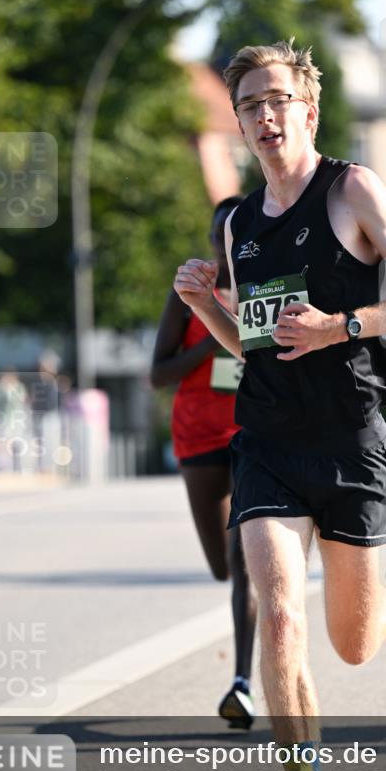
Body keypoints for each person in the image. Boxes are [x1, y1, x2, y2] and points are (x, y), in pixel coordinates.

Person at [173, 39, 386, 771]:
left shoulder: (352, 189)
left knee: (354, 645)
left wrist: (342, 325)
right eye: (248, 103)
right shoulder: (235, 222)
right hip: (268, 439)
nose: (261, 115)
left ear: (307, 109)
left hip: (354, 434)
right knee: (280, 616)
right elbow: (254, 345)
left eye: (275, 100)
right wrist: (204, 304)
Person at [152, 197, 257, 730]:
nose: (228, 244)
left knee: (246, 562)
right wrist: (215, 337)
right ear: (213, 239)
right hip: (198, 439)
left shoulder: (269, 288)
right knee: (222, 565)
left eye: (237, 235)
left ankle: (242, 682)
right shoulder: (192, 292)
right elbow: (157, 374)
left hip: (254, 438)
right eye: (221, 235)